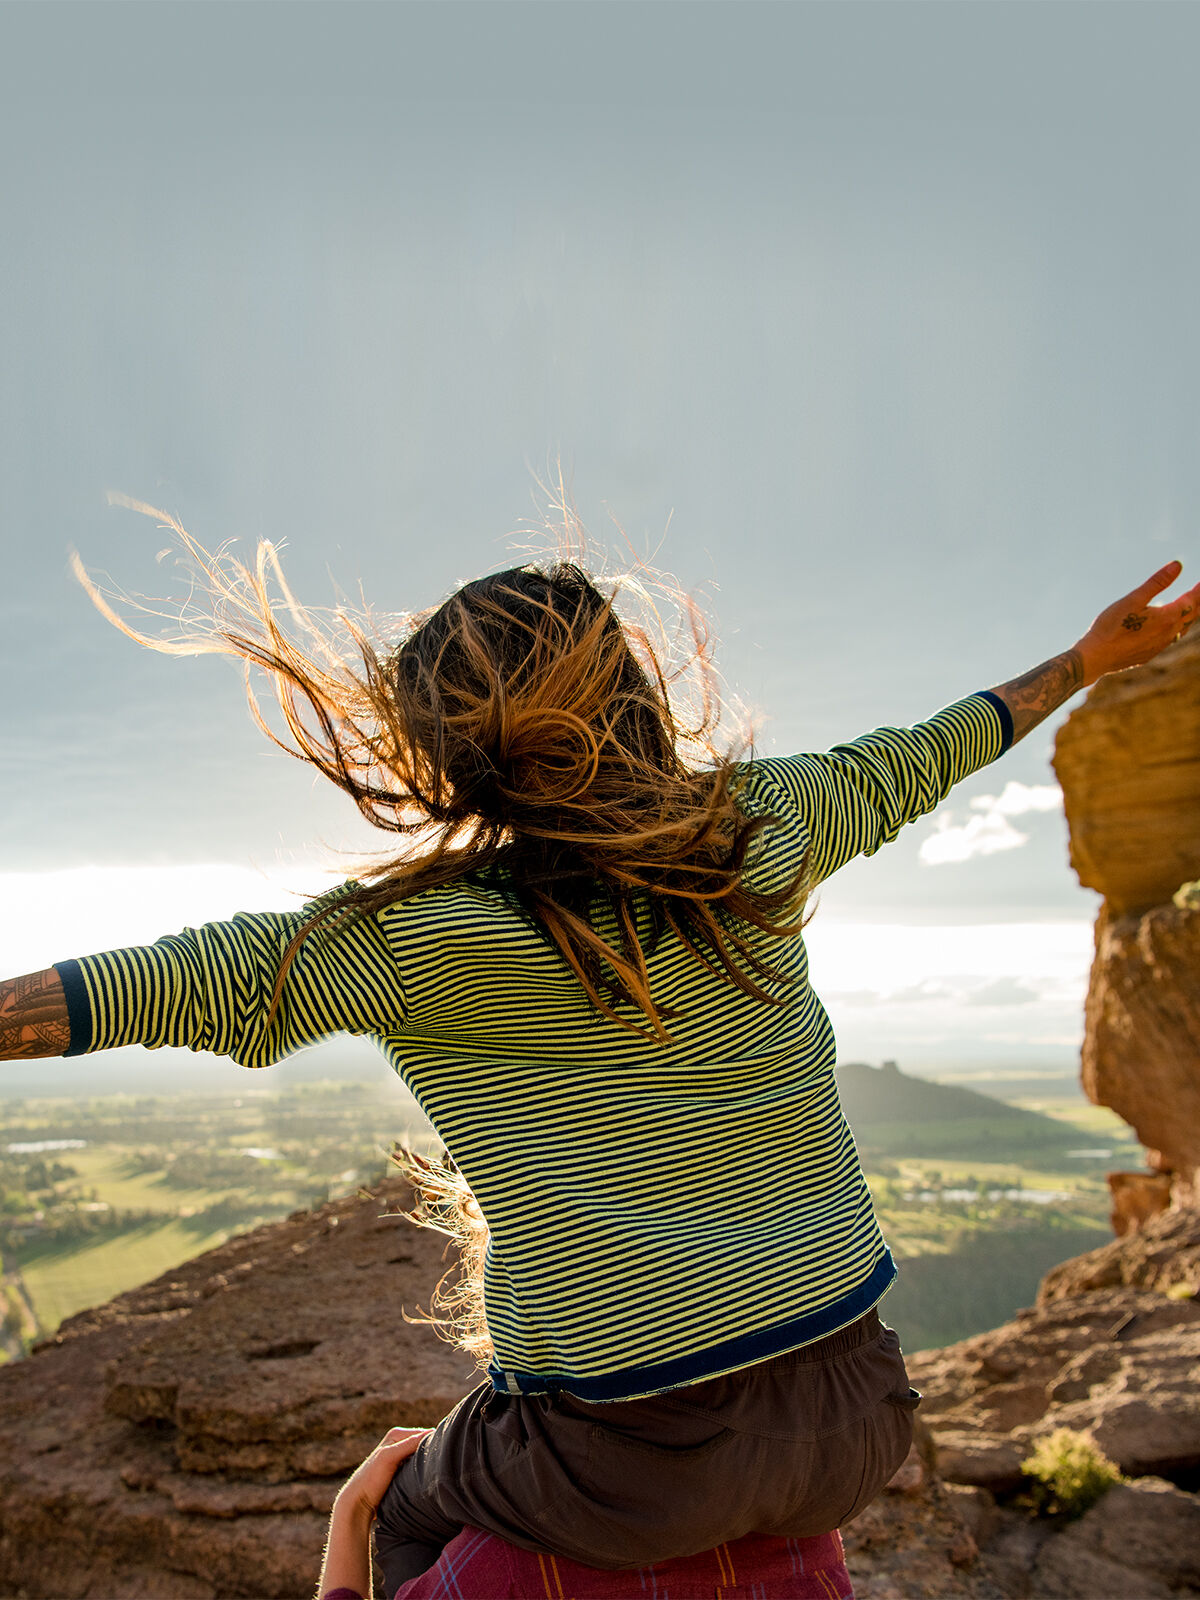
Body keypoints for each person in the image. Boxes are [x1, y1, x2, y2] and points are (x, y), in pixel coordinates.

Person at [1, 504, 1196, 1589]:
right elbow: (919, 757)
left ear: (449, 751)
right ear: (631, 689)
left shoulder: (425, 937)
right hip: (860, 1414)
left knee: (398, 1500)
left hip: (634, 1459)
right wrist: (1088, 662)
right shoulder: (764, 823)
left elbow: (178, 983)